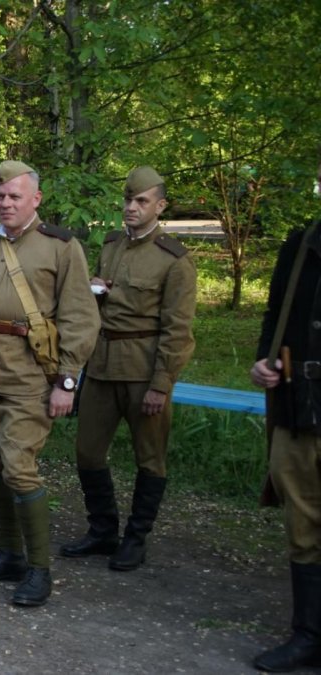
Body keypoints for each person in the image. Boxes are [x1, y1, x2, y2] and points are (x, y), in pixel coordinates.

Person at [0, 160, 99, 607]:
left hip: (28, 376)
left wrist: (67, 381)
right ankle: (9, 555)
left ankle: (39, 569)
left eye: (14, 196)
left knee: (19, 469)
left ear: (36, 199)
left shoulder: (60, 247)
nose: (5, 203)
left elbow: (80, 317)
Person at [60, 167, 196, 571]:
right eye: (128, 200)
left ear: (160, 206)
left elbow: (178, 329)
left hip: (142, 372)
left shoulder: (174, 260)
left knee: (149, 458)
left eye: (141, 201)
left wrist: (161, 383)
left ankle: (136, 538)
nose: (131, 207)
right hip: (101, 367)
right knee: (87, 453)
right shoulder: (112, 245)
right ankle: (103, 530)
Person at [249, 206, 321, 672]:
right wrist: (264, 359)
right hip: (299, 408)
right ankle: (308, 635)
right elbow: (276, 314)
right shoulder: (300, 244)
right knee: (303, 525)